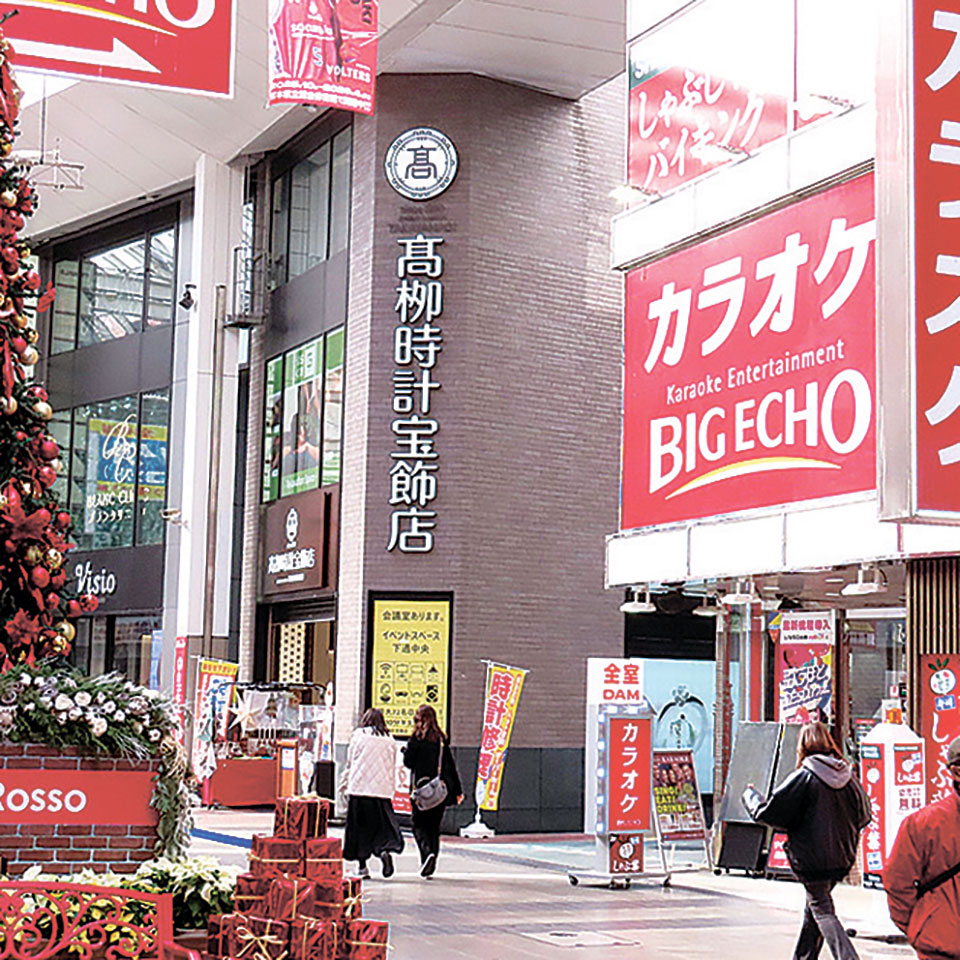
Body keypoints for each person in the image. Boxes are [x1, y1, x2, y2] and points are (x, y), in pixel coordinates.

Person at [743, 721, 872, 960]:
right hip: (842, 858)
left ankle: (848, 958)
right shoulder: (849, 777)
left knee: (822, 910)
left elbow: (770, 812)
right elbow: (865, 814)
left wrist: (750, 795)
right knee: (814, 910)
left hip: (811, 861)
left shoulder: (804, 776)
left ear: (802, 745)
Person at [884, 736, 960, 960]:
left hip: (938, 939)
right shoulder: (924, 824)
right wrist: (921, 926)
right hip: (940, 945)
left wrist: (921, 925)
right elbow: (897, 883)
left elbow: (897, 883)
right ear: (956, 772)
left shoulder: (923, 822)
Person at [342, 708, 404, 879]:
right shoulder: (389, 739)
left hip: (359, 789)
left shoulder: (358, 736)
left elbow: (350, 760)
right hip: (381, 792)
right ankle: (383, 850)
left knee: (360, 830)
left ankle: (362, 867)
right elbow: (393, 764)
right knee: (380, 827)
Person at [403, 704, 463, 878]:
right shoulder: (441, 740)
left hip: (420, 791)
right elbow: (450, 766)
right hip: (439, 791)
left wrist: (407, 752)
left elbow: (408, 763)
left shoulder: (416, 739)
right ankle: (432, 859)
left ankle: (426, 854)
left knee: (418, 825)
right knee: (433, 828)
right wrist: (458, 790)